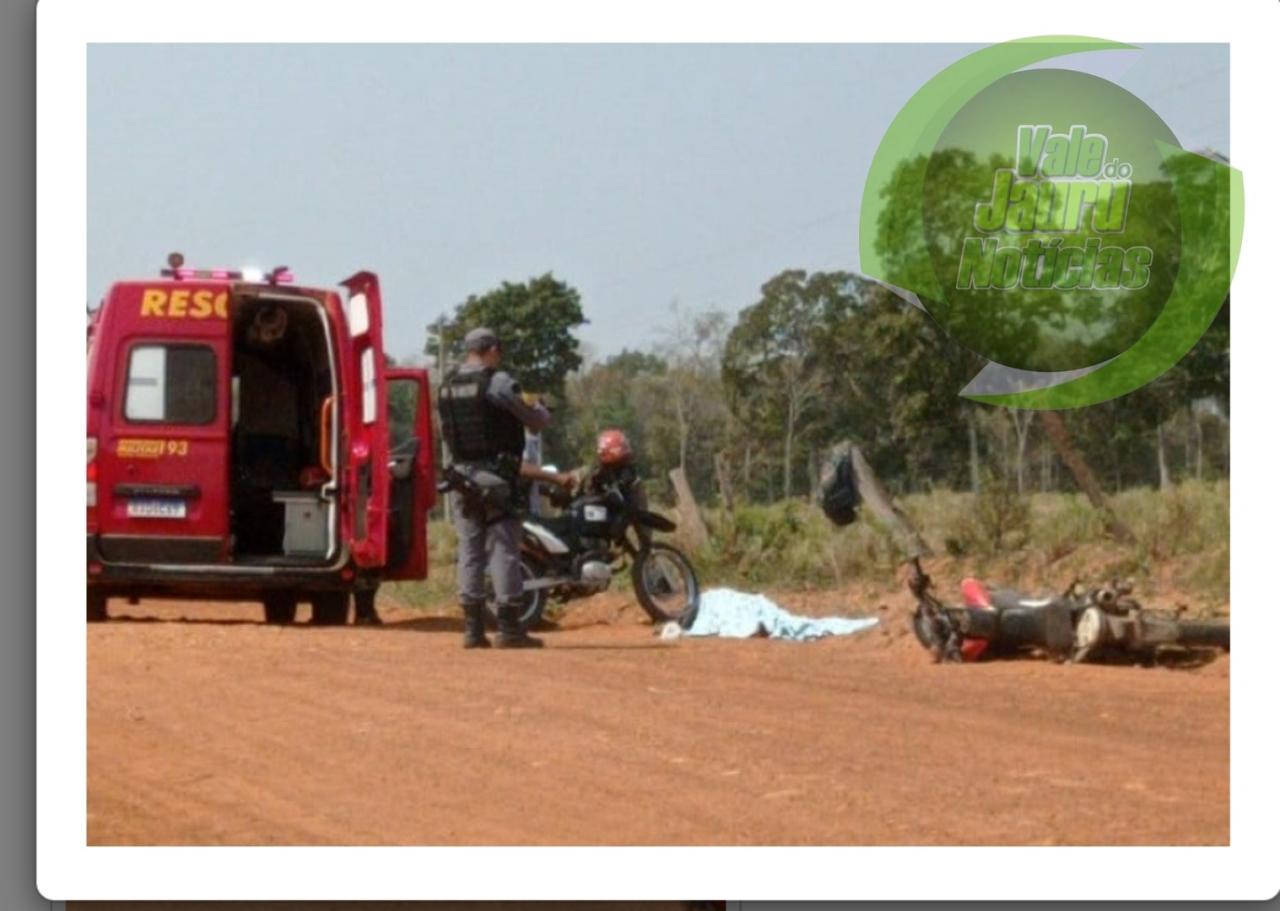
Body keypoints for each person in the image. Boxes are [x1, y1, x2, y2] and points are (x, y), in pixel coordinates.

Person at [437, 327, 572, 649]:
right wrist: (541, 409)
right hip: (496, 478)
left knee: (469, 551)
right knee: (503, 550)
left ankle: (472, 630)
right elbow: (535, 421)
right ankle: (510, 628)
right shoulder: (497, 382)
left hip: (461, 478)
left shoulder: (446, 386)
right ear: (493, 349)